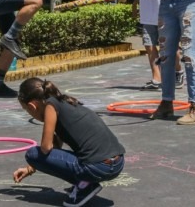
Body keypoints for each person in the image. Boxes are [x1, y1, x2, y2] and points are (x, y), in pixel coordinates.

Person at [12, 78, 125, 207]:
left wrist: (33, 162)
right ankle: (86, 182)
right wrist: (30, 168)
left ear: (32, 106)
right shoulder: (65, 102)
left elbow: (45, 148)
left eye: (26, 109)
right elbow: (56, 147)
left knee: (32, 153)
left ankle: (86, 185)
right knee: (38, 156)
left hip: (97, 167)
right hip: (117, 163)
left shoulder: (50, 106)